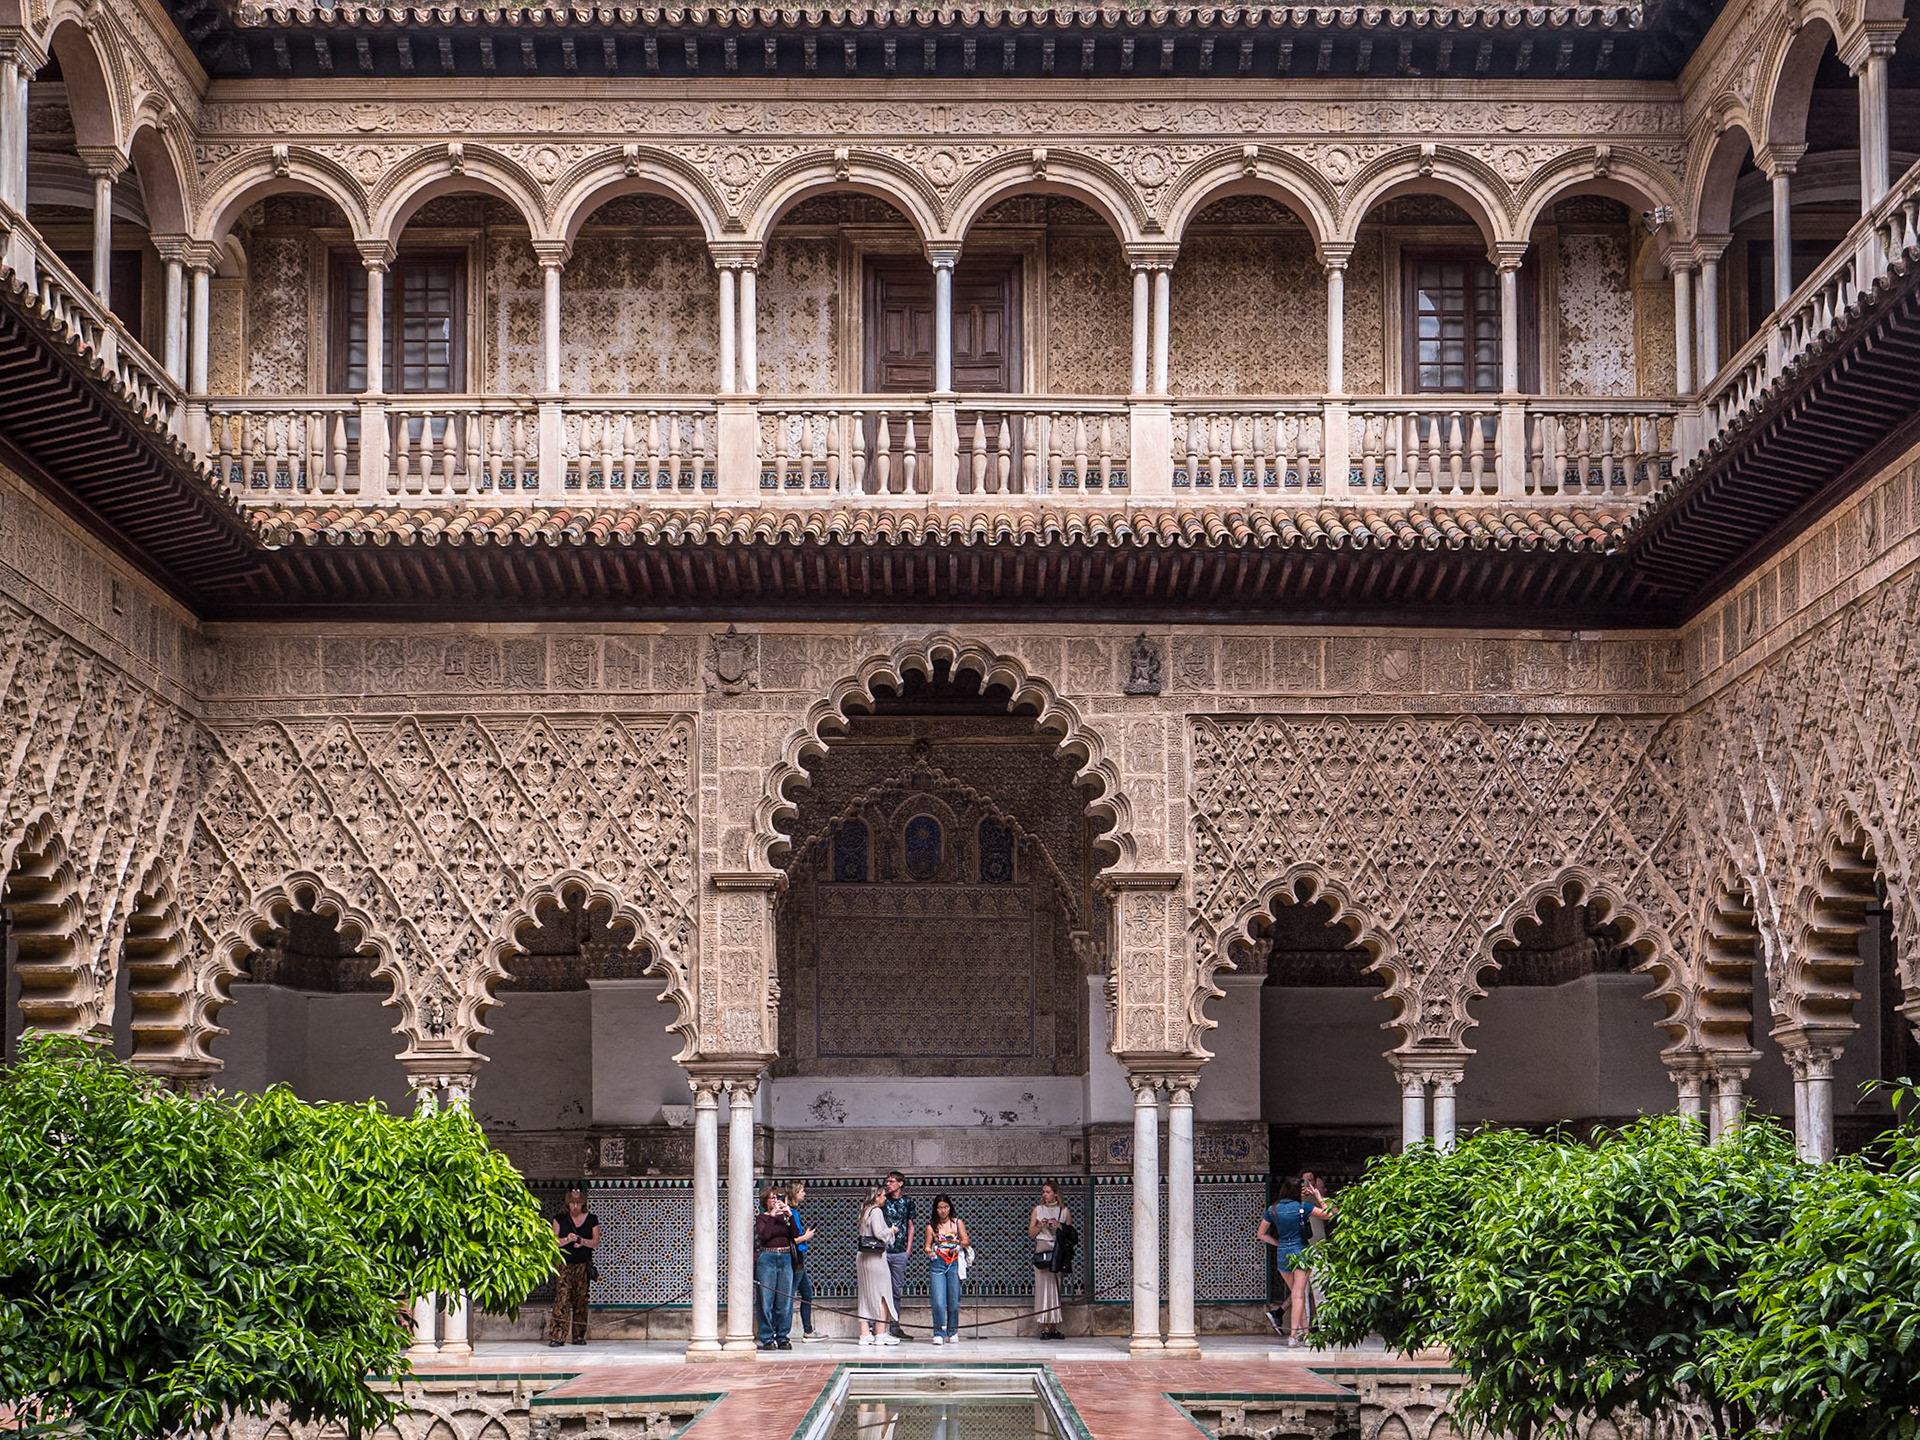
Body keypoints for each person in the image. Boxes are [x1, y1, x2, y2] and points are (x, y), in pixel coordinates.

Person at [1258, 1178, 1332, 1347]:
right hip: (1301, 1252)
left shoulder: (1273, 1209)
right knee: (1299, 1295)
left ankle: (1305, 1334)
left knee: (1297, 1294)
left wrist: (1279, 1244)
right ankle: (1292, 1336)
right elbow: (1328, 1213)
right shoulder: (1303, 1207)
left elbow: (1261, 1234)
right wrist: (1318, 1195)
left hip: (1283, 1253)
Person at [547, 1186, 600, 1347]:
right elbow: (553, 1242)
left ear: (583, 1203)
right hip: (564, 1265)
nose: (575, 1206)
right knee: (562, 1299)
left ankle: (579, 1336)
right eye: (572, 1203)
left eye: (578, 1202)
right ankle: (557, 1336)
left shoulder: (591, 1219)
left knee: (581, 1300)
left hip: (583, 1265)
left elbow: (595, 1242)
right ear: (567, 1204)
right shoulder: (559, 1219)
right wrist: (568, 1240)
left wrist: (582, 1241)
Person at [754, 1187, 800, 1350]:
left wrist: (789, 1215)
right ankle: (767, 1337)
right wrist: (773, 1214)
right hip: (768, 1258)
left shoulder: (785, 1217)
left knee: (785, 1299)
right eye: (772, 1198)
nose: (775, 1201)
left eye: (778, 1197)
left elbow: (795, 1234)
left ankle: (782, 1336)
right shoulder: (761, 1218)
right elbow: (765, 1235)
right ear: (765, 1201)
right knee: (766, 1299)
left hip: (785, 1257)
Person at [923, 1193, 970, 1345]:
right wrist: (930, 1251)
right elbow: (926, 1246)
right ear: (935, 1209)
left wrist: (956, 1242)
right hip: (938, 1262)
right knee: (938, 1300)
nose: (943, 1211)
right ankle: (938, 1332)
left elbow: (966, 1242)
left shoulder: (957, 1223)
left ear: (950, 1207)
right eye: (940, 1208)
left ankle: (953, 1330)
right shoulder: (931, 1226)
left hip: (954, 1262)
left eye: (946, 1207)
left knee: (954, 1300)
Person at [856, 1186, 900, 1346]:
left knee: (865, 1295)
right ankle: (880, 1333)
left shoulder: (864, 1211)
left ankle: (865, 1334)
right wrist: (892, 1230)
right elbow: (879, 1233)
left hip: (863, 1257)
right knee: (882, 1293)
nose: (885, 1198)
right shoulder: (876, 1212)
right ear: (877, 1197)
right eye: (883, 1196)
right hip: (875, 1258)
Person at [1029, 1180, 1071, 1341]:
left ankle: (1054, 1326)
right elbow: (1031, 1233)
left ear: (1055, 1193)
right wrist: (1040, 1225)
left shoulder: (1064, 1211)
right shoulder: (1038, 1210)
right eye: (1043, 1192)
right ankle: (1044, 1326)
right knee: (1042, 1288)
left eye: (1047, 1192)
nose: (1045, 1195)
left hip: (1057, 1251)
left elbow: (1069, 1233)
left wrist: (1058, 1225)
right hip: (1042, 1249)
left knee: (1056, 1288)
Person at [880, 1170, 915, 1339]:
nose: (888, 1184)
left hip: (900, 1251)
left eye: (891, 1181)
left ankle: (894, 1326)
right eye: (887, 1181)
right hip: (883, 1251)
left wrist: (908, 1249)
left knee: (896, 1290)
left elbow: (910, 1225)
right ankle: (877, 1327)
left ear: (900, 1183)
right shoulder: (882, 1201)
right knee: (879, 1289)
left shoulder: (907, 1202)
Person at [787, 1180, 820, 1341]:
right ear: (795, 1193)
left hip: (799, 1259)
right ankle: (781, 1332)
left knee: (807, 1293)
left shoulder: (794, 1212)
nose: (804, 1193)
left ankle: (808, 1330)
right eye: (802, 1191)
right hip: (795, 1260)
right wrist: (806, 1237)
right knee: (790, 1295)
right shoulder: (791, 1214)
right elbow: (792, 1240)